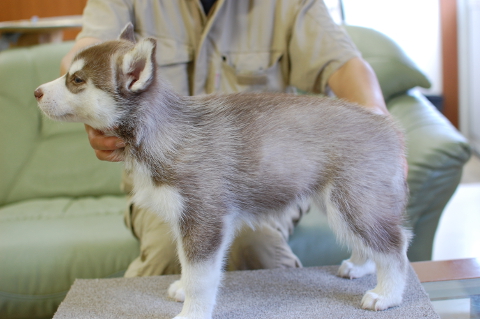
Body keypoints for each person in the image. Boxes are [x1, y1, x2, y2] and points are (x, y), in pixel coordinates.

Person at [61, 0, 393, 277]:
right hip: (165, 182)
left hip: (263, 180)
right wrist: (80, 94)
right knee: (168, 253)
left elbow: (345, 64)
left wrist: (377, 130)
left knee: (256, 249)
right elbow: (86, 50)